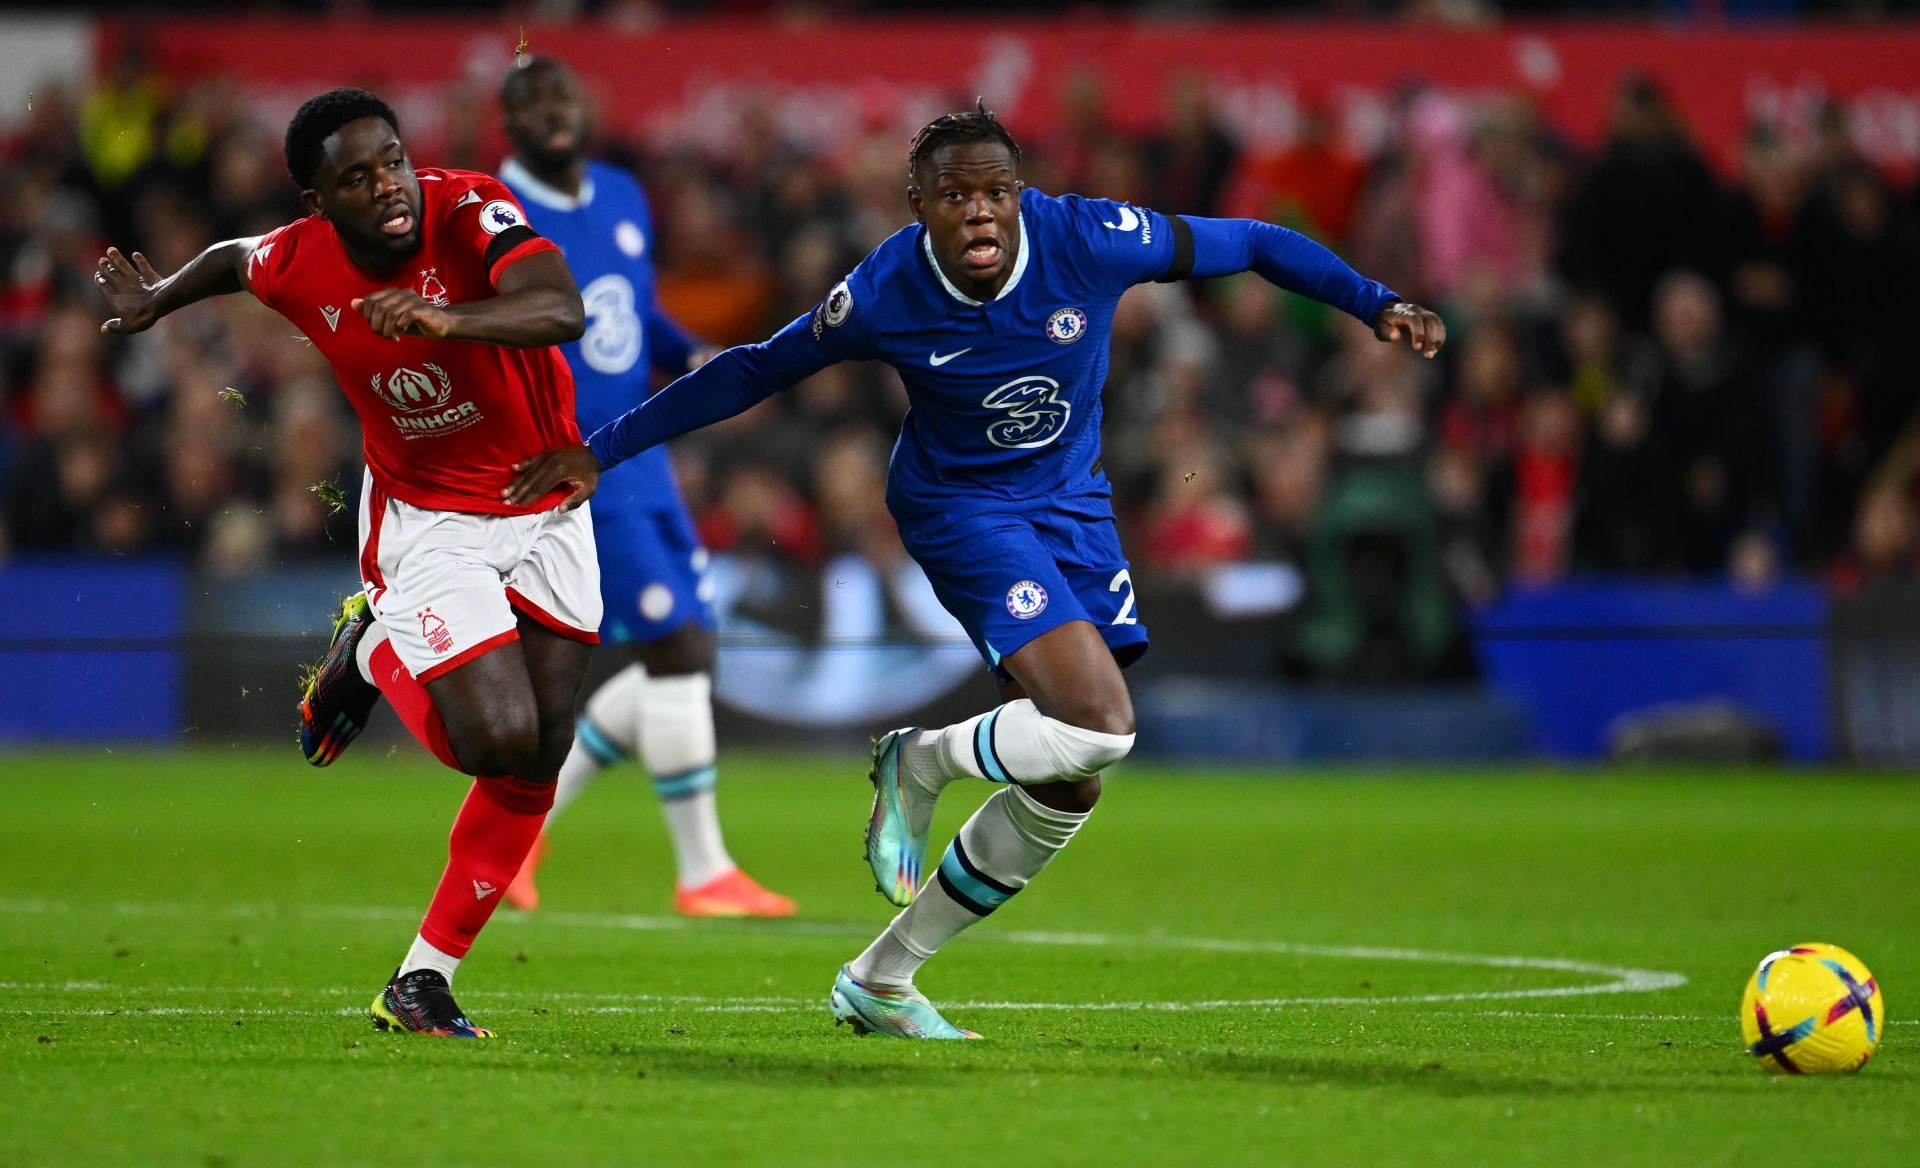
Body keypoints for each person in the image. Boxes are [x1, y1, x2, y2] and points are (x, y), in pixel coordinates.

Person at [506, 102, 1445, 1039]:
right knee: (1102, 724)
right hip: (959, 506)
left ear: (1021, 195)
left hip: (1071, 502)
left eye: (997, 191)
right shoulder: (885, 291)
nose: (981, 212)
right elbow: (751, 370)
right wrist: (604, 448)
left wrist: (1374, 301)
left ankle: (882, 978)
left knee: (1071, 778)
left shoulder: (1090, 238)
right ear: (918, 206)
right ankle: (919, 758)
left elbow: (1252, 241)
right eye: (956, 196)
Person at [95, 88, 601, 1038]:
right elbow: (239, 260)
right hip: (429, 519)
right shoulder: (300, 258)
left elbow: (561, 307)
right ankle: (373, 649)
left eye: (393, 161)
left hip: (547, 503)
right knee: (491, 739)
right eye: (357, 178)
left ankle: (420, 982)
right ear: (319, 201)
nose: (389, 187)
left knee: (542, 752)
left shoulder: (469, 207)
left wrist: (449, 322)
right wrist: (158, 301)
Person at [495, 56, 793, 918]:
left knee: (684, 651)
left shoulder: (623, 193)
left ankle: (523, 832)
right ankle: (702, 872)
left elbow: (637, 313)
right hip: (574, 466)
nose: (554, 112)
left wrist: (697, 357)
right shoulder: (492, 211)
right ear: (507, 122)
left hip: (644, 453)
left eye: (564, 96)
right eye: (532, 101)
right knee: (679, 651)